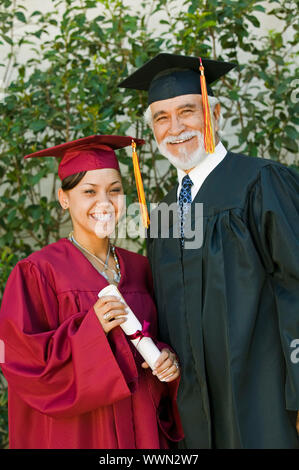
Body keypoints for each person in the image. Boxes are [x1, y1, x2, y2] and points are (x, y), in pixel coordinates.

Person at [119, 53, 299, 449]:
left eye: (187, 111)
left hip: (263, 397)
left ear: (214, 112)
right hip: (194, 408)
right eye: (161, 118)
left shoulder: (260, 181)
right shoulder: (165, 210)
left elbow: (296, 283)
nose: (175, 127)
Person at [0, 134, 183, 449]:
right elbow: (21, 361)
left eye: (115, 191)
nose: (105, 203)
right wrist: (91, 328)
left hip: (142, 428)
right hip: (81, 433)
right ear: (63, 198)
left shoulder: (141, 268)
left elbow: (163, 334)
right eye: (89, 191)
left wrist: (167, 357)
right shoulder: (37, 272)